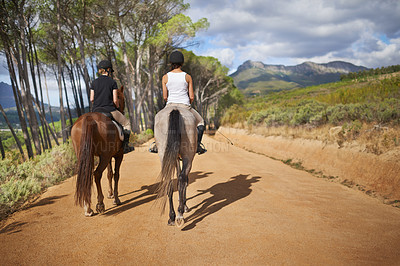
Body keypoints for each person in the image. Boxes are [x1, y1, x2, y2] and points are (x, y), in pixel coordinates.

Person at [150, 50, 206, 155]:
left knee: (157, 119)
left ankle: (156, 144)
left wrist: (169, 102)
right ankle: (197, 145)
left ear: (171, 63)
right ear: (182, 63)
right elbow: (192, 96)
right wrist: (188, 103)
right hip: (185, 105)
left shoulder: (165, 77)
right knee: (201, 122)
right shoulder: (187, 76)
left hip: (170, 105)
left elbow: (165, 96)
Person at [90, 60, 134, 153]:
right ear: (108, 70)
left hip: (95, 110)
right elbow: (115, 100)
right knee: (126, 124)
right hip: (109, 110)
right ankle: (126, 146)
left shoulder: (94, 82)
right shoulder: (112, 82)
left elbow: (91, 99)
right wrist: (117, 106)